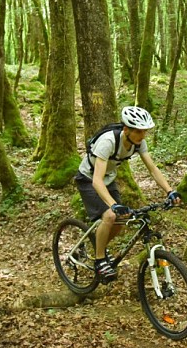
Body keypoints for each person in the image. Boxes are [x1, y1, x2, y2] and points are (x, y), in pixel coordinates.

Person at [74, 106, 181, 283]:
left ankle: (97, 246)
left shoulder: (139, 143)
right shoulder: (107, 142)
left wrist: (170, 191)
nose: (142, 136)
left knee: (121, 222)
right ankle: (100, 260)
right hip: (88, 179)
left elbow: (153, 169)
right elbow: (96, 180)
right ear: (126, 130)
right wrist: (113, 205)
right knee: (109, 215)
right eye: (139, 132)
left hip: (108, 180)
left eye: (145, 132)